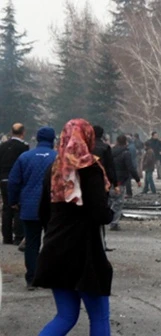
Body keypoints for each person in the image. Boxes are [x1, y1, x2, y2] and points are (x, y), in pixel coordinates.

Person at [33, 119, 113, 335]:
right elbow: (100, 213)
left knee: (66, 316)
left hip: (55, 249)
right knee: (99, 317)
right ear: (88, 139)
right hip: (84, 252)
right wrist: (110, 212)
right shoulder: (91, 169)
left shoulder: (54, 168)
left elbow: (43, 211)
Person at [7, 127, 57, 290]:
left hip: (29, 205)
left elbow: (14, 181)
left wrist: (13, 201)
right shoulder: (58, 158)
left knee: (31, 243)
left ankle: (32, 278)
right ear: (53, 140)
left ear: (37, 139)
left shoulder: (25, 157)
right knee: (52, 242)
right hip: (52, 207)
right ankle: (50, 275)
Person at [0, 123, 30, 245]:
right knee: (18, 206)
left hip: (3, 179)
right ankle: (18, 236)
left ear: (11, 132)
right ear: (23, 132)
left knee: (6, 207)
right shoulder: (24, 147)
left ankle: (6, 237)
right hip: (17, 179)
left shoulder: (2, 146)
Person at [110, 135, 141, 231]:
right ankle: (114, 223)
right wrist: (137, 179)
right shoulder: (126, 153)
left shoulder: (110, 151)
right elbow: (130, 167)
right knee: (118, 202)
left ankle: (107, 218)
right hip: (120, 180)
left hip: (109, 179)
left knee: (110, 200)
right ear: (126, 142)